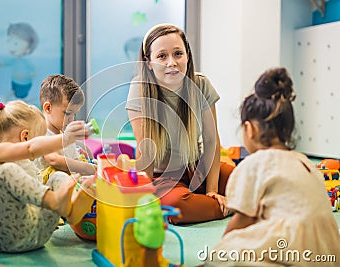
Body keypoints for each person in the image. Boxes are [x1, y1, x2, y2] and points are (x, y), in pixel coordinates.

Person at [205, 68, 340, 266]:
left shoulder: (253, 165)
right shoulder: (305, 163)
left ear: (250, 129)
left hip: (292, 251)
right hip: (327, 253)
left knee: (223, 255)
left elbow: (241, 221)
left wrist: (222, 246)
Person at [125, 23, 234, 224]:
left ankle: (225, 203)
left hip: (196, 168)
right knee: (177, 208)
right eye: (162, 56)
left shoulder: (201, 84)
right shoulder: (139, 89)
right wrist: (144, 201)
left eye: (178, 54)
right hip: (163, 178)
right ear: (148, 62)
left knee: (247, 179)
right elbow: (146, 152)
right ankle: (240, 206)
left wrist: (212, 191)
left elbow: (211, 141)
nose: (172, 62)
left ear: (187, 56)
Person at [0, 98, 95, 253]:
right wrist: (66, 139)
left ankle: (72, 211)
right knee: (7, 171)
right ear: (25, 137)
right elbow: (32, 149)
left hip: (38, 235)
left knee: (56, 177)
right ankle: (56, 202)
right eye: (40, 139)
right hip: (5, 239)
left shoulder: (26, 165)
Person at [35, 74, 97, 184]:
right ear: (48, 108)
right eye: (67, 113)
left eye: (74, 114)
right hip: (49, 187)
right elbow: (54, 160)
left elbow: (75, 160)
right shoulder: (40, 132)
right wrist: (88, 168)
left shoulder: (65, 133)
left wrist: (92, 166)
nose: (71, 119)